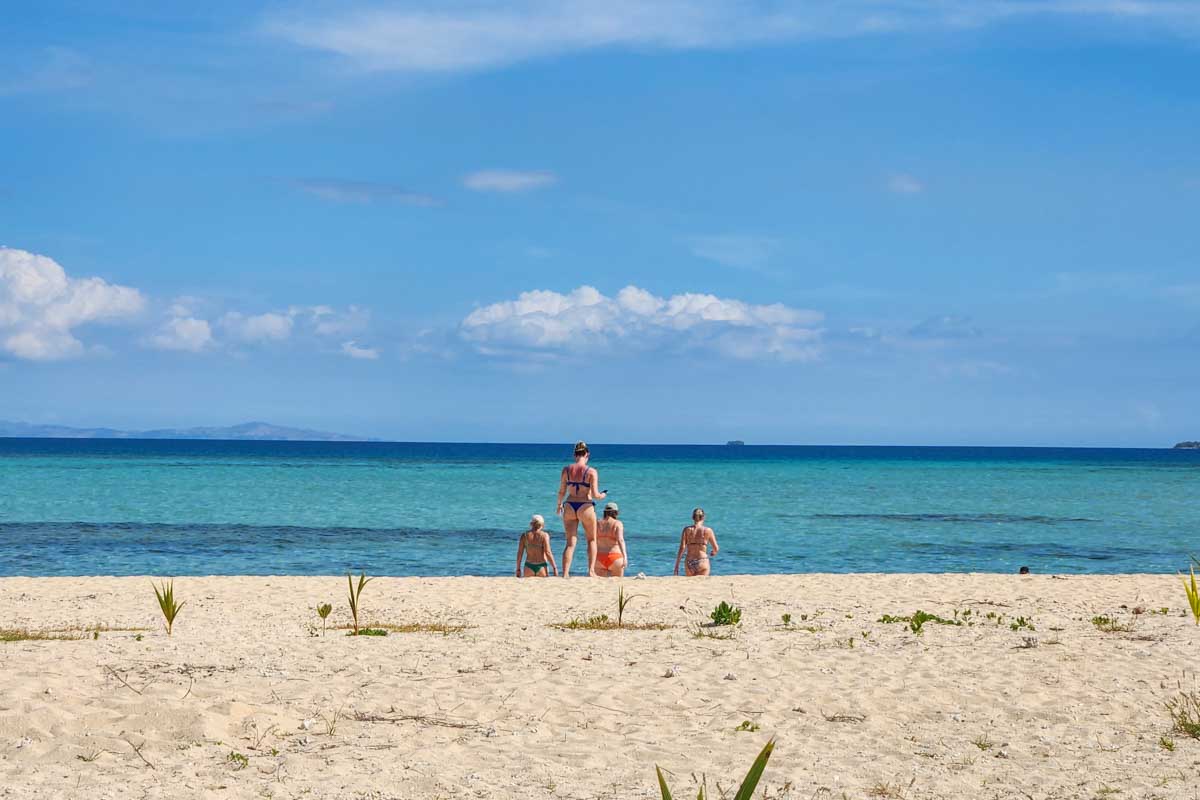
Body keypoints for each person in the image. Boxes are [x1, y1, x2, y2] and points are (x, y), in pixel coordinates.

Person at [556, 441, 606, 577]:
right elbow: (595, 495)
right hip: (585, 505)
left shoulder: (566, 470)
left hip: (570, 505)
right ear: (587, 454)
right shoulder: (591, 471)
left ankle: (565, 573)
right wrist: (602, 495)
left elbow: (561, 491)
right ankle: (591, 571)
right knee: (591, 539)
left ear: (574, 455)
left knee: (570, 542)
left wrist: (559, 505)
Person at [674, 507, 719, 577]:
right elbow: (716, 548)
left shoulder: (687, 530)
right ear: (703, 517)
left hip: (689, 562)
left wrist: (677, 565)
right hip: (702, 560)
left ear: (692, 517)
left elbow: (682, 548)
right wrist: (714, 552)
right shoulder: (708, 530)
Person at [593, 502, 628, 577]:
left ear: (605, 512)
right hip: (615, 557)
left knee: (600, 585)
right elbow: (620, 540)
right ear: (616, 512)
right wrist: (625, 557)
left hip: (599, 557)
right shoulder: (617, 523)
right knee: (617, 584)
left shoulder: (597, 523)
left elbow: (592, 540)